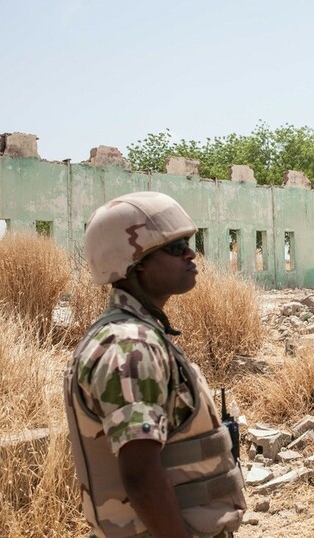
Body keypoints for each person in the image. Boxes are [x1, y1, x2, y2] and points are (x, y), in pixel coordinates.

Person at [64, 192, 246, 538]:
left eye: (188, 244)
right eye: (176, 248)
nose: (191, 254)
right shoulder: (130, 346)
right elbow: (140, 474)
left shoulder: (135, 334)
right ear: (135, 263)